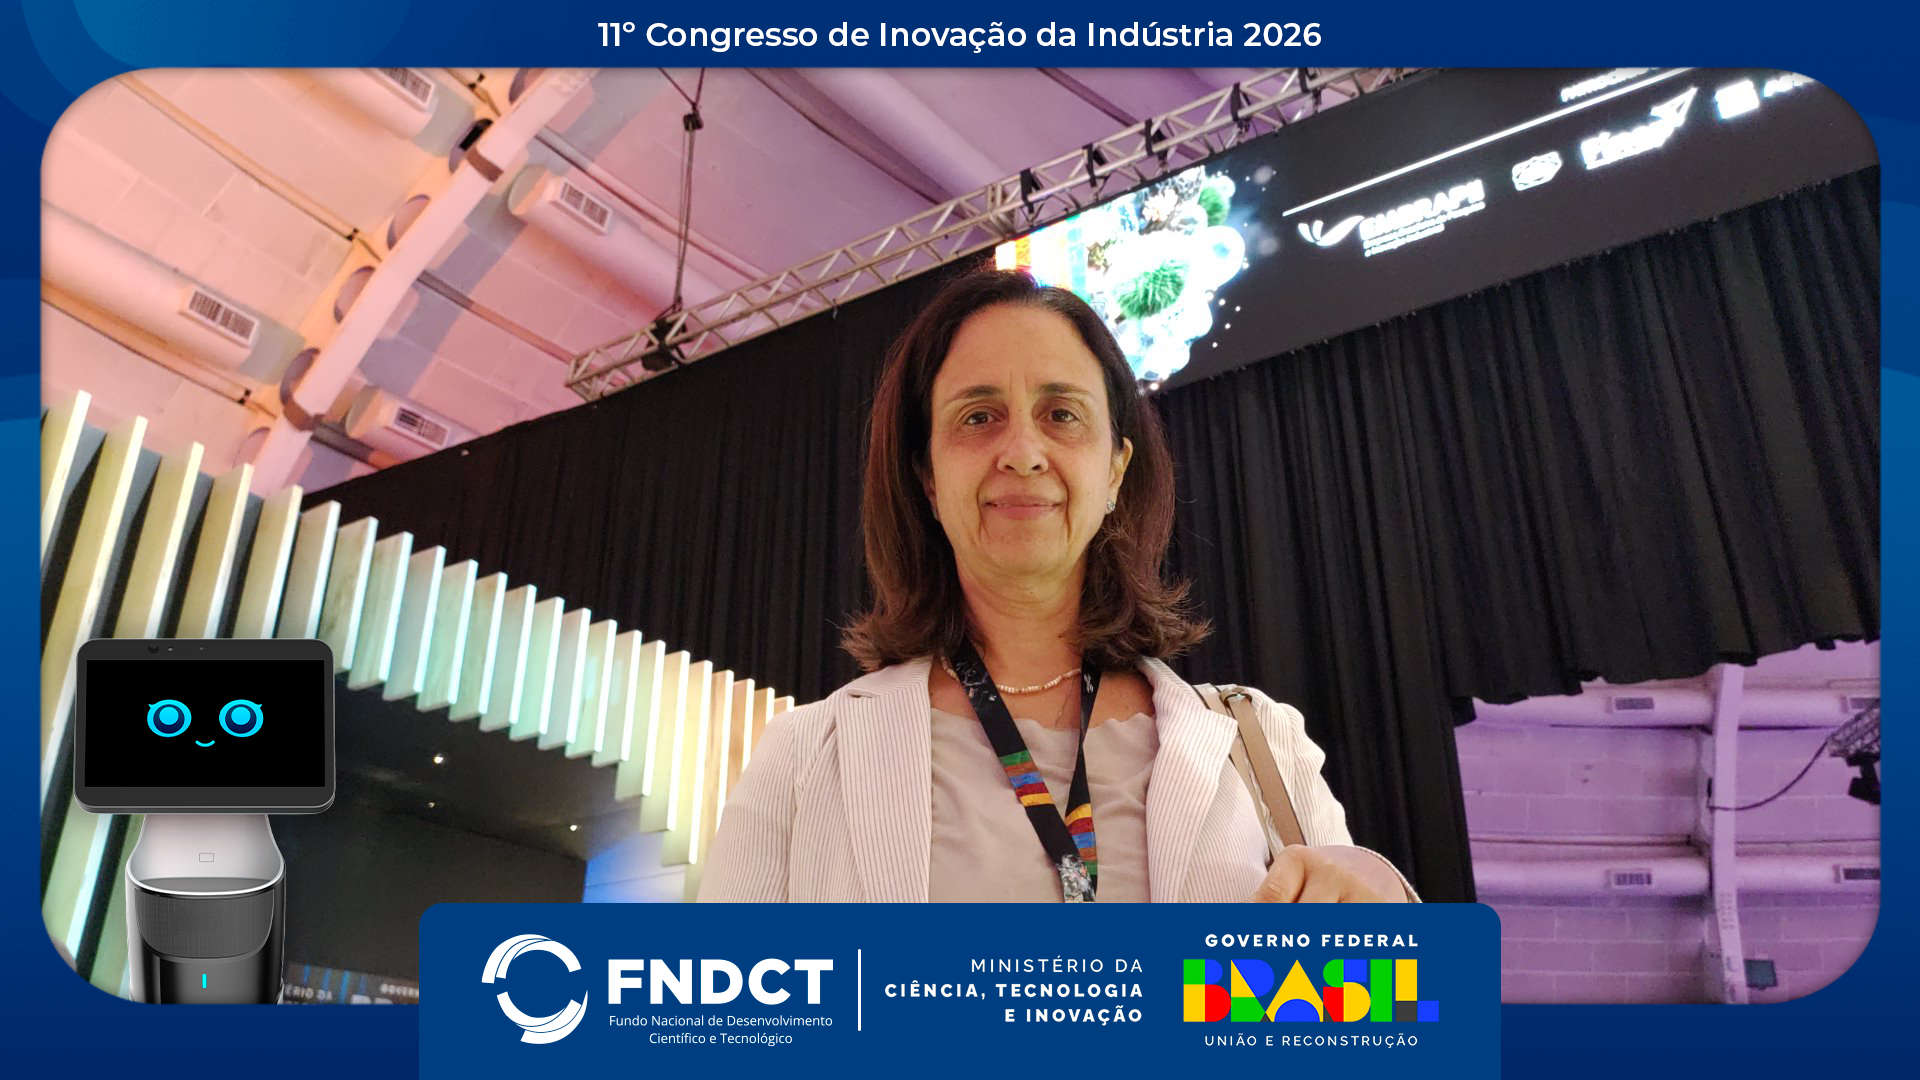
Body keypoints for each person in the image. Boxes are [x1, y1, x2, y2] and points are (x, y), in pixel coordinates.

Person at [700, 268, 1415, 903]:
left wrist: (1390, 909)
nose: (1022, 452)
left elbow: (1368, 1009)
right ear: (928, 478)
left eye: (1062, 415)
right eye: (978, 417)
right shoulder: (803, 759)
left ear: (1115, 471)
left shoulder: (1261, 744)